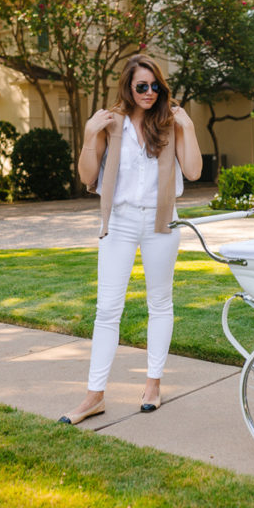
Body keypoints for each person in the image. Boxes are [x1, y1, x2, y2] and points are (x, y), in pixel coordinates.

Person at [58, 53, 202, 424]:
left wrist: (188, 127)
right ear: (128, 86)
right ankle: (94, 396)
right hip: (119, 221)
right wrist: (90, 133)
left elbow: (194, 170)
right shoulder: (111, 123)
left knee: (160, 303)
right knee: (107, 310)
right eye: (142, 86)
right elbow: (88, 175)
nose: (150, 92)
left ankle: (153, 385)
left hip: (161, 222)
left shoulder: (170, 123)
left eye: (156, 86)